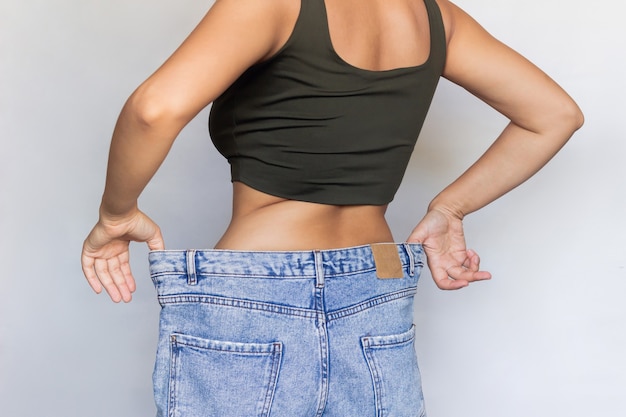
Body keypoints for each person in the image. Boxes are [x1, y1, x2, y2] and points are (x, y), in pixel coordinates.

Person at [81, 0, 583, 415]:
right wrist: (450, 208)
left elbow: (154, 110)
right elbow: (554, 115)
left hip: (260, 289)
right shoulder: (434, 16)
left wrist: (116, 215)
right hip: (378, 284)